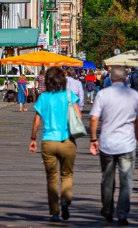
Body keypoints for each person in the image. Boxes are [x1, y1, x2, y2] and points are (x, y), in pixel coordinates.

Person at [90, 66, 138, 226]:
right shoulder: (134, 95)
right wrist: (136, 130)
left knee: (107, 179)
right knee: (126, 180)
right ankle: (122, 214)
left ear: (111, 78)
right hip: (127, 143)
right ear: (126, 78)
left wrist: (93, 138)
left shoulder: (103, 94)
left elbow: (94, 118)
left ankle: (107, 210)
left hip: (107, 143)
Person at [29, 67, 83, 222]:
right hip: (67, 141)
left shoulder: (44, 98)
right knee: (67, 174)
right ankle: (65, 200)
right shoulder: (69, 95)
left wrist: (33, 138)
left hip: (48, 141)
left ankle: (54, 212)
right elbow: (78, 115)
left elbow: (37, 121)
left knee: (51, 177)